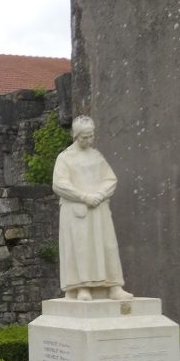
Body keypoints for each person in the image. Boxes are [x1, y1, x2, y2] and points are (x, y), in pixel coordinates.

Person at [52, 115, 133, 301]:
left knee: (108, 246)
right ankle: (82, 287)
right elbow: (59, 184)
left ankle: (113, 286)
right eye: (84, 137)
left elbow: (110, 179)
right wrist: (84, 196)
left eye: (91, 136)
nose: (88, 140)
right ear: (75, 135)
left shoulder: (97, 156)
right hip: (77, 211)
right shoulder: (65, 158)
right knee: (82, 248)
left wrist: (100, 194)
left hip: (99, 209)